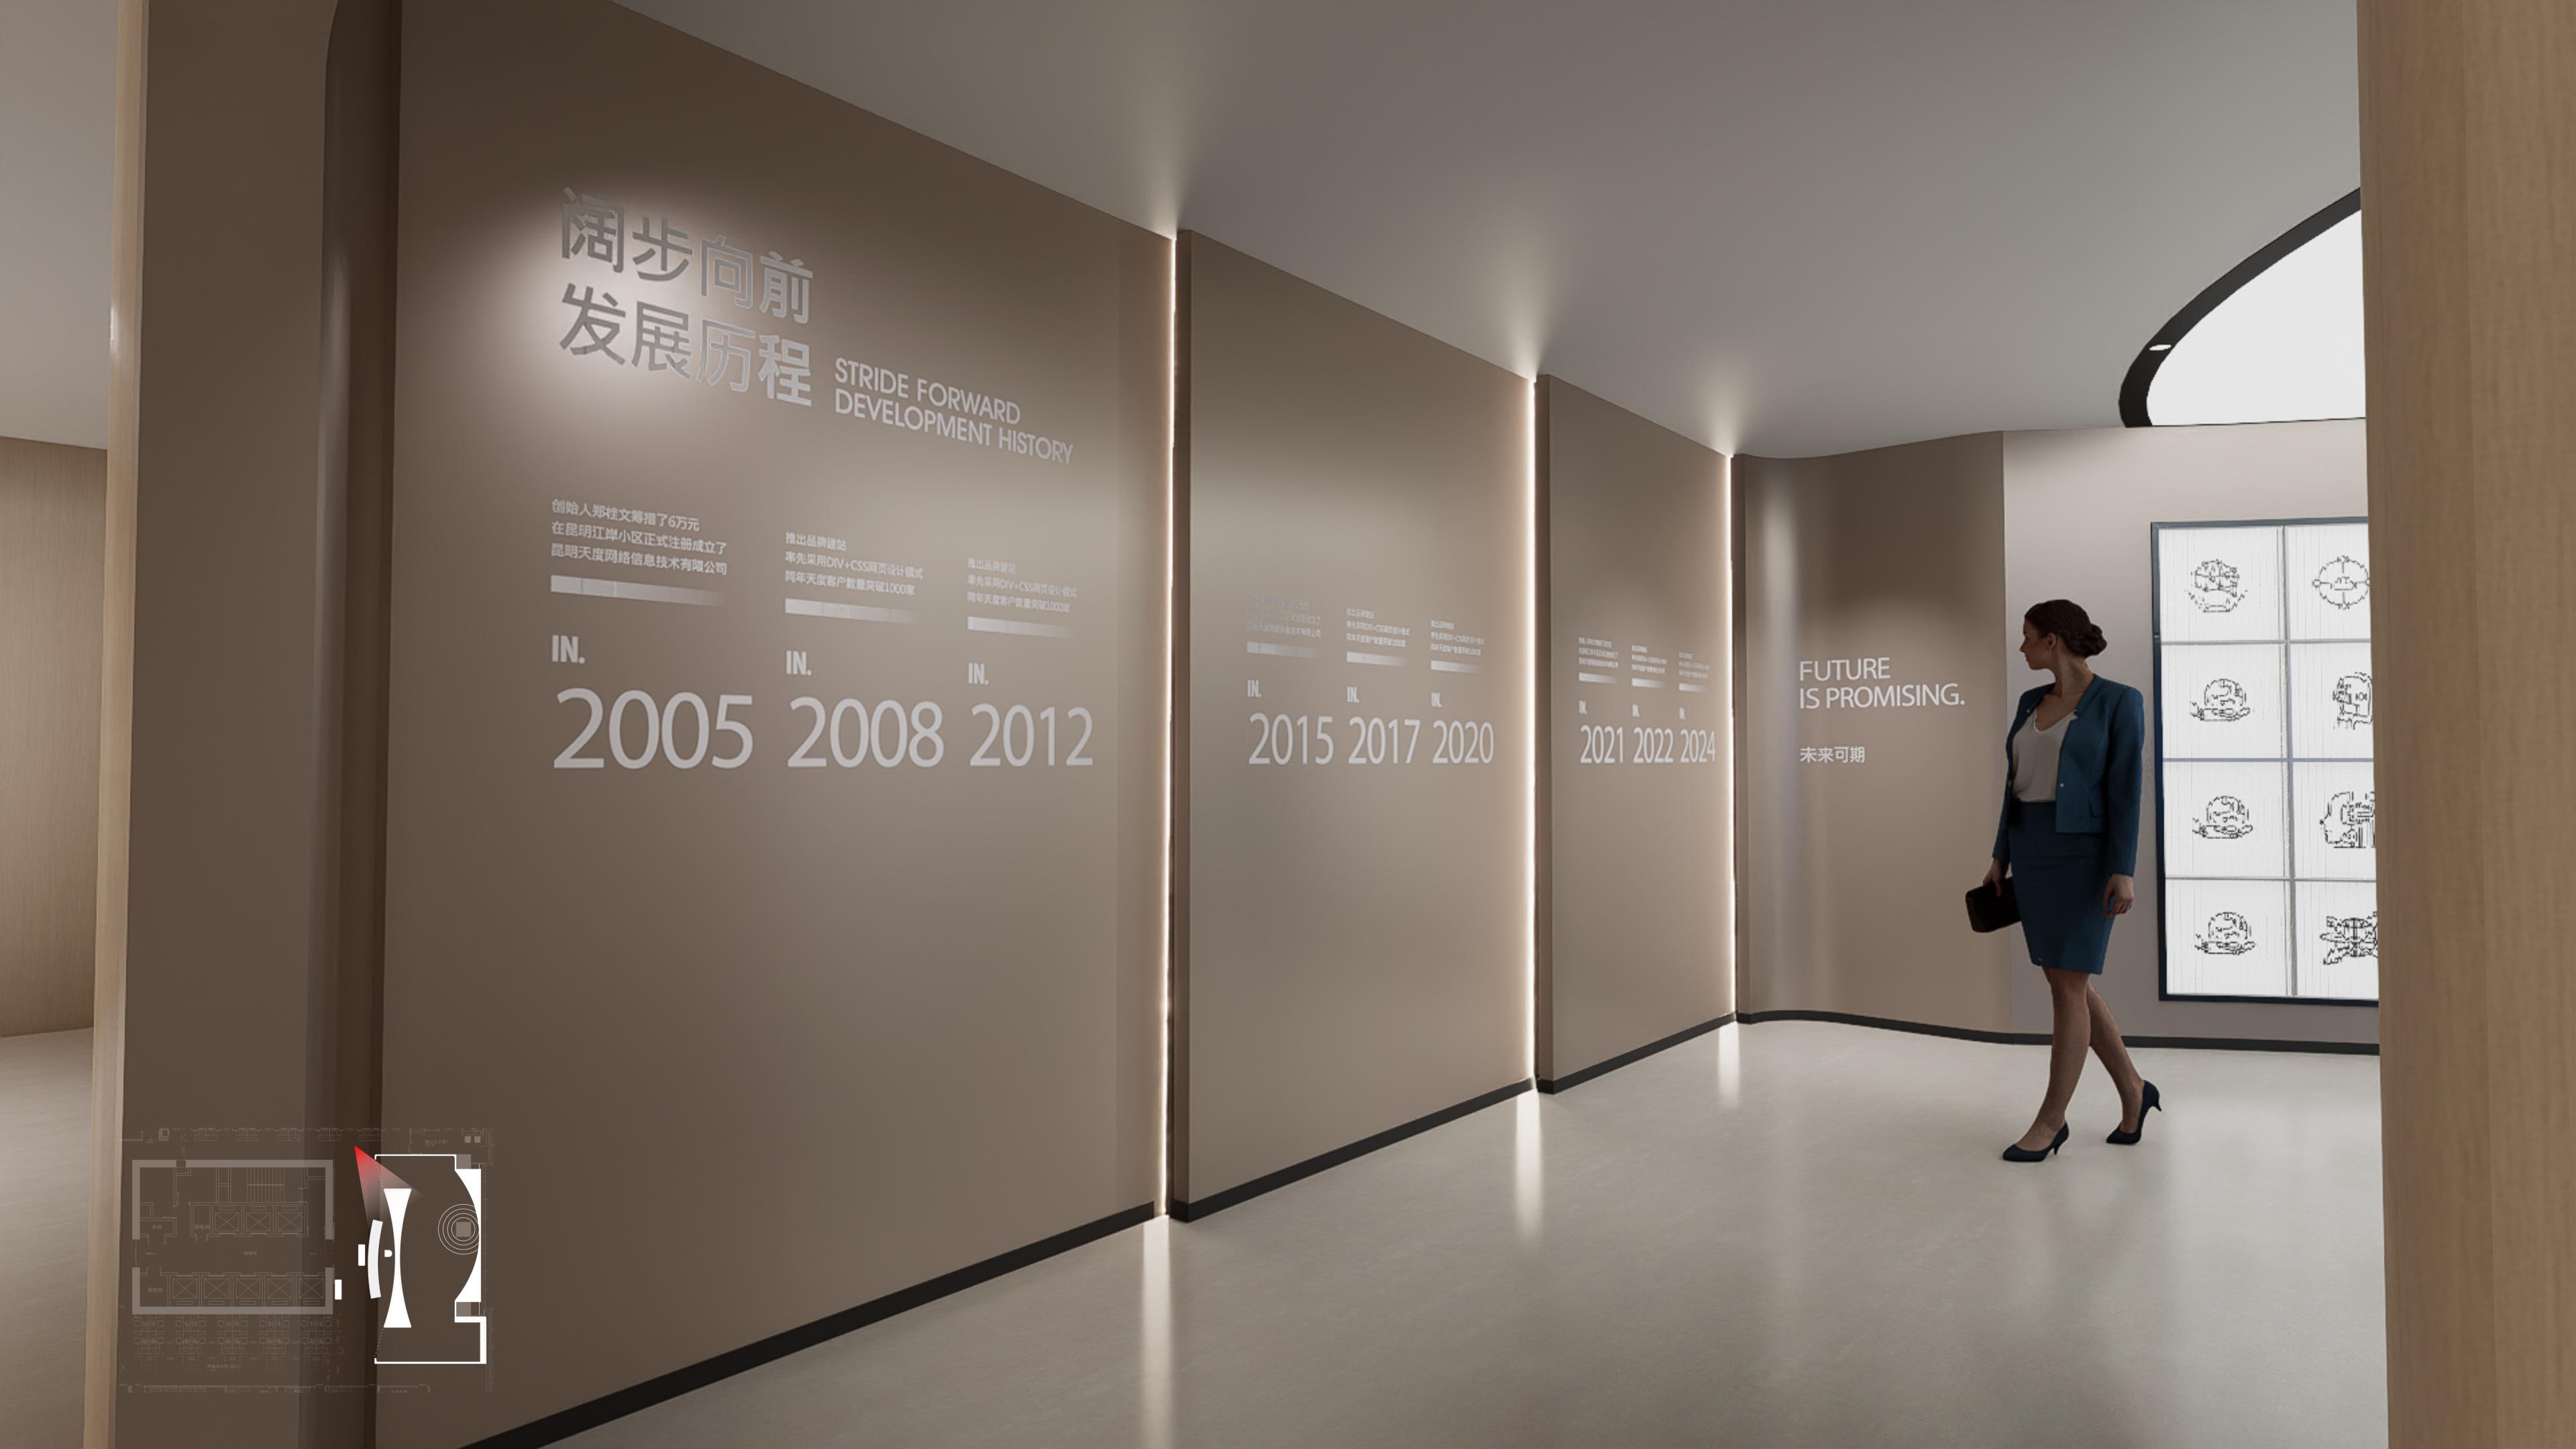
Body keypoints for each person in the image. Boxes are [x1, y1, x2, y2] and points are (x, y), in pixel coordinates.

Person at [1980, 599, 2160, 1162]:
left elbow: (2126, 790)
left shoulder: (2120, 701)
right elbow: (2014, 784)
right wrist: (2000, 855)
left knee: (2066, 986)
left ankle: (2051, 1120)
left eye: (2028, 636)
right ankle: (2134, 1089)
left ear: (2053, 640)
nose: (2022, 647)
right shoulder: (2030, 701)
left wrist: (2123, 869)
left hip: (2085, 860)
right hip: (2032, 853)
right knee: (2067, 982)